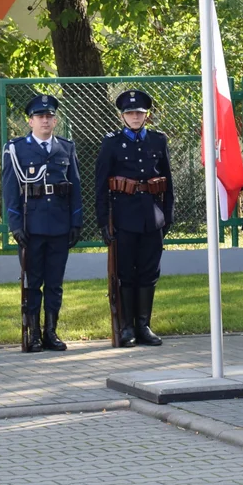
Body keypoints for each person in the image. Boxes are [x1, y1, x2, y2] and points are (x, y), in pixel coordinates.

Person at [2, 94, 83, 353]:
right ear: (30, 121)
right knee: (33, 282)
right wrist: (15, 225)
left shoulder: (66, 148)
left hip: (59, 226)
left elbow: (76, 188)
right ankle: (34, 333)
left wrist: (75, 222)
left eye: (49, 117)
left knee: (55, 283)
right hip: (31, 227)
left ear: (55, 121)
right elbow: (10, 190)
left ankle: (51, 332)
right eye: (40, 117)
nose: (45, 121)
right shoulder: (16, 149)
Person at [93, 89, 174, 347]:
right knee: (126, 273)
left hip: (152, 217)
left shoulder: (158, 141)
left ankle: (143, 325)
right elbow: (101, 186)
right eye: (130, 113)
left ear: (146, 114)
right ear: (122, 116)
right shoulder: (111, 143)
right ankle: (127, 327)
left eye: (139, 113)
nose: (135, 117)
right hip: (124, 217)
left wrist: (167, 217)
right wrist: (103, 222)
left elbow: (168, 183)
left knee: (149, 272)